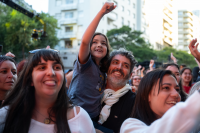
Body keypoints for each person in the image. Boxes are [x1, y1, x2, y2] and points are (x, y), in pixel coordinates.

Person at [0, 49, 95, 133]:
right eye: (42, 67)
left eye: (57, 67)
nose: (51, 73)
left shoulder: (80, 117)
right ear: (30, 80)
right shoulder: (7, 115)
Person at [68, 2, 116, 119]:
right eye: (94, 42)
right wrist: (102, 12)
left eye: (103, 43)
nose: (99, 45)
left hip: (94, 118)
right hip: (76, 116)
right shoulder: (85, 64)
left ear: (107, 49)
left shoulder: (103, 72)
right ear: (89, 46)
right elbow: (84, 41)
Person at [120, 69, 200, 133]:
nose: (176, 94)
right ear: (146, 95)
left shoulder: (191, 127)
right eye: (166, 88)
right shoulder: (129, 126)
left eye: (177, 89)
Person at [93, 48, 137, 133]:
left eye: (125, 66)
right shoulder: (92, 91)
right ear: (107, 67)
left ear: (130, 75)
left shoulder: (135, 103)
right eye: (115, 62)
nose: (119, 67)